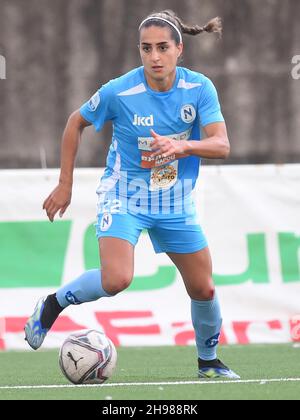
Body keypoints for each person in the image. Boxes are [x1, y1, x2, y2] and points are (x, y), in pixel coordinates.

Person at [24, 9, 240, 379]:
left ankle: (209, 362)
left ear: (179, 49)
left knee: (203, 288)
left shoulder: (199, 88)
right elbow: (75, 122)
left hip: (173, 201)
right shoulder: (120, 91)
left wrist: (182, 147)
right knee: (116, 280)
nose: (154, 56)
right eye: (145, 49)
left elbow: (222, 145)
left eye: (161, 48)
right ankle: (51, 305)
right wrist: (65, 183)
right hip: (124, 196)